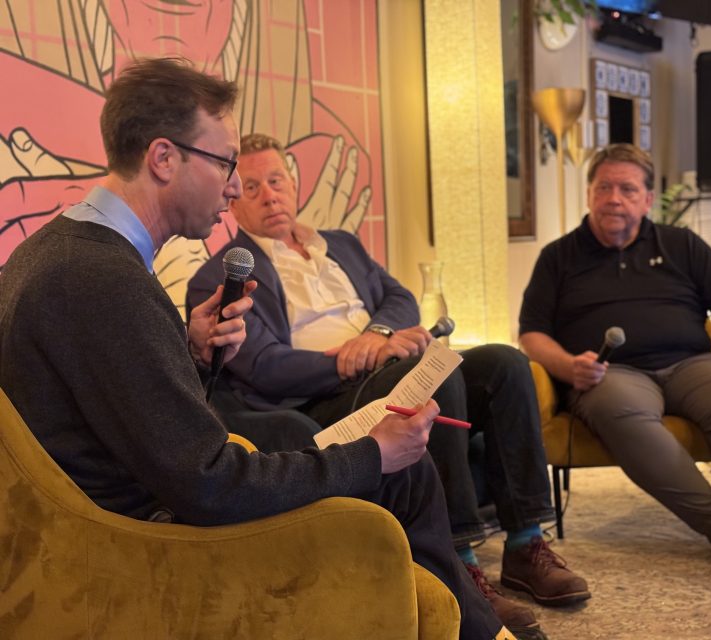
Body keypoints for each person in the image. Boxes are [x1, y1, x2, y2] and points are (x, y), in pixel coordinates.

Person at [0, 57, 509, 640]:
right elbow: (210, 484)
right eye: (225, 163)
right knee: (400, 471)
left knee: (400, 470)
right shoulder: (104, 280)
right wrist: (371, 454)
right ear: (164, 159)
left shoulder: (52, 252)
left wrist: (186, 349)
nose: (237, 186)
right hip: (143, 544)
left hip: (114, 514)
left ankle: (467, 618)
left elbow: (122, 412)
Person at [186, 133, 591, 636]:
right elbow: (265, 366)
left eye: (276, 181)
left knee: (506, 364)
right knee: (429, 381)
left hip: (386, 364)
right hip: (324, 399)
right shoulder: (219, 277)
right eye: (250, 187)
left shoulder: (342, 245)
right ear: (232, 199)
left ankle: (525, 543)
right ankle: (460, 561)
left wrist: (378, 334)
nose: (269, 195)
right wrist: (348, 360)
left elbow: (399, 298)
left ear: (293, 183)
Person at [518, 142, 711, 577]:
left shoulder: (681, 245)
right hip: (614, 374)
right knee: (621, 410)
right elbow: (531, 334)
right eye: (605, 187)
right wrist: (566, 365)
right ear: (589, 193)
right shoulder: (558, 258)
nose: (614, 198)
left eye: (628, 189)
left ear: (648, 199)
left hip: (691, 364)